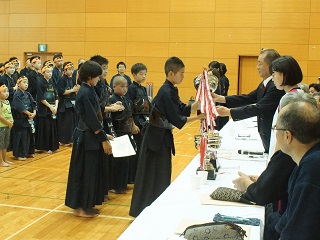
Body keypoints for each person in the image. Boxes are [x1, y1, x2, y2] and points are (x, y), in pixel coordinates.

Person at [129, 56, 204, 217]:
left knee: (160, 174)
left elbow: (181, 108)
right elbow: (177, 119)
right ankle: (146, 208)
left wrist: (195, 105)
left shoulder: (170, 89)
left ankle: (155, 206)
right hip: (155, 138)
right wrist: (198, 117)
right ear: (171, 73)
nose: (183, 76)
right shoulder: (166, 91)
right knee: (153, 174)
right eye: (181, 73)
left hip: (160, 136)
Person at [212, 49, 285, 152]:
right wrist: (221, 98)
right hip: (266, 136)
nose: (257, 67)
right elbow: (249, 98)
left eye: (260, 63)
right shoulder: (265, 83)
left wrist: (229, 112)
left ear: (271, 65)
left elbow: (259, 108)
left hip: (273, 137)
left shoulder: (275, 87)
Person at [65, 60, 112, 218]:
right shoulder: (84, 92)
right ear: (90, 76)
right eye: (97, 76)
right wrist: (104, 139)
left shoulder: (89, 90)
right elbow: (92, 119)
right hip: (87, 138)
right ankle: (81, 208)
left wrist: (105, 134)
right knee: (85, 173)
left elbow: (96, 115)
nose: (99, 79)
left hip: (91, 136)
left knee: (89, 172)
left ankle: (86, 205)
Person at [272, 93, 320, 239]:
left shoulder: (312, 169)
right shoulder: (308, 160)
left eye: (276, 128)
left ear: (287, 136)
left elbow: (299, 232)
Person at [110, 76, 139, 194]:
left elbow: (129, 115)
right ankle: (115, 186)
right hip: (118, 133)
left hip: (127, 132)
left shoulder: (126, 100)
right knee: (118, 161)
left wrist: (133, 126)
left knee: (127, 160)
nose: (125, 89)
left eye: (126, 86)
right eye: (121, 86)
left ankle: (123, 184)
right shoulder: (112, 101)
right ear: (114, 87)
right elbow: (110, 120)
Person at [125, 63, 150, 183]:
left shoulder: (143, 89)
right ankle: (131, 177)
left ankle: (139, 175)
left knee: (141, 149)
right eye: (141, 74)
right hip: (135, 122)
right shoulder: (130, 89)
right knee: (135, 149)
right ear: (134, 75)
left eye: (145, 74)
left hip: (144, 121)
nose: (144, 76)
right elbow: (128, 108)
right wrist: (132, 124)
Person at [12, 76, 37, 160]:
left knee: (29, 135)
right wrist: (28, 113)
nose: (26, 84)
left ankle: (29, 152)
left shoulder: (28, 93)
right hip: (20, 119)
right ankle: (19, 154)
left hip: (29, 118)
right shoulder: (17, 94)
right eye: (24, 82)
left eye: (27, 83)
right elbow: (19, 106)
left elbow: (34, 103)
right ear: (18, 84)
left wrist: (34, 112)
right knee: (20, 136)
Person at [35, 65, 59, 153]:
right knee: (45, 128)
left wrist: (55, 107)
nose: (50, 74)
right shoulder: (40, 83)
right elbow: (41, 98)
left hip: (53, 109)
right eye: (48, 72)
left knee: (52, 127)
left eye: (51, 72)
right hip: (44, 109)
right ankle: (44, 147)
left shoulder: (52, 82)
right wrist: (50, 107)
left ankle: (52, 146)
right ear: (43, 73)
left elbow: (56, 95)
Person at [56, 62, 79, 146]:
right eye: (69, 69)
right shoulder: (62, 79)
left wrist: (76, 90)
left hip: (71, 102)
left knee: (71, 122)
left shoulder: (72, 79)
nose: (71, 71)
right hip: (64, 103)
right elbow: (61, 92)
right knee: (65, 123)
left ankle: (70, 139)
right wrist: (72, 90)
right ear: (65, 71)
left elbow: (73, 90)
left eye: (72, 69)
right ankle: (63, 140)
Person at [0, 84, 14, 167]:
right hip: (1, 126)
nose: (6, 93)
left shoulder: (7, 102)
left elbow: (9, 113)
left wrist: (12, 120)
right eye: (4, 91)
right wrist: (8, 122)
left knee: (5, 143)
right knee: (0, 144)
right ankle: (1, 161)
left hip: (7, 125)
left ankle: (5, 159)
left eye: (7, 91)